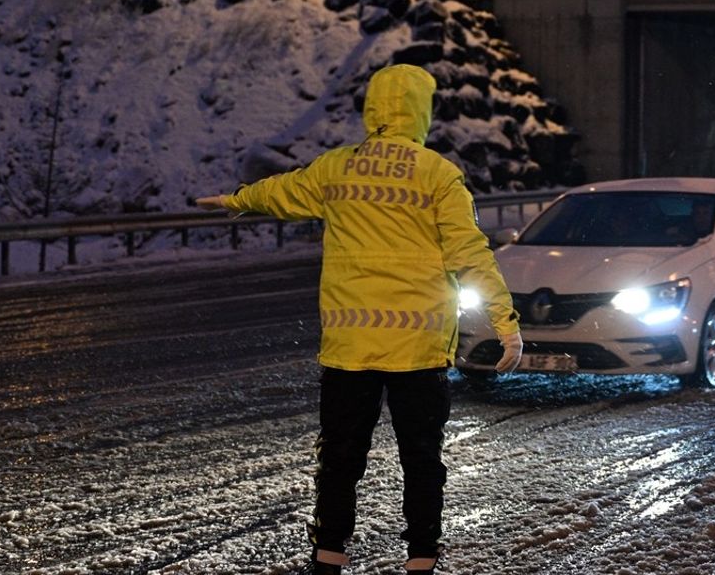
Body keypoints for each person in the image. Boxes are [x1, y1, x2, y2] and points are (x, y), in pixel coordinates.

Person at [196, 64, 522, 575]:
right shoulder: (437, 173)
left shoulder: (337, 168)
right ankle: (421, 558)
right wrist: (505, 321)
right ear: (421, 111)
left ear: (372, 109)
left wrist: (238, 200)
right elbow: (470, 254)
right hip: (418, 348)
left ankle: (328, 556)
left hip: (350, 346)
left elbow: (282, 191)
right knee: (421, 459)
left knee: (341, 458)